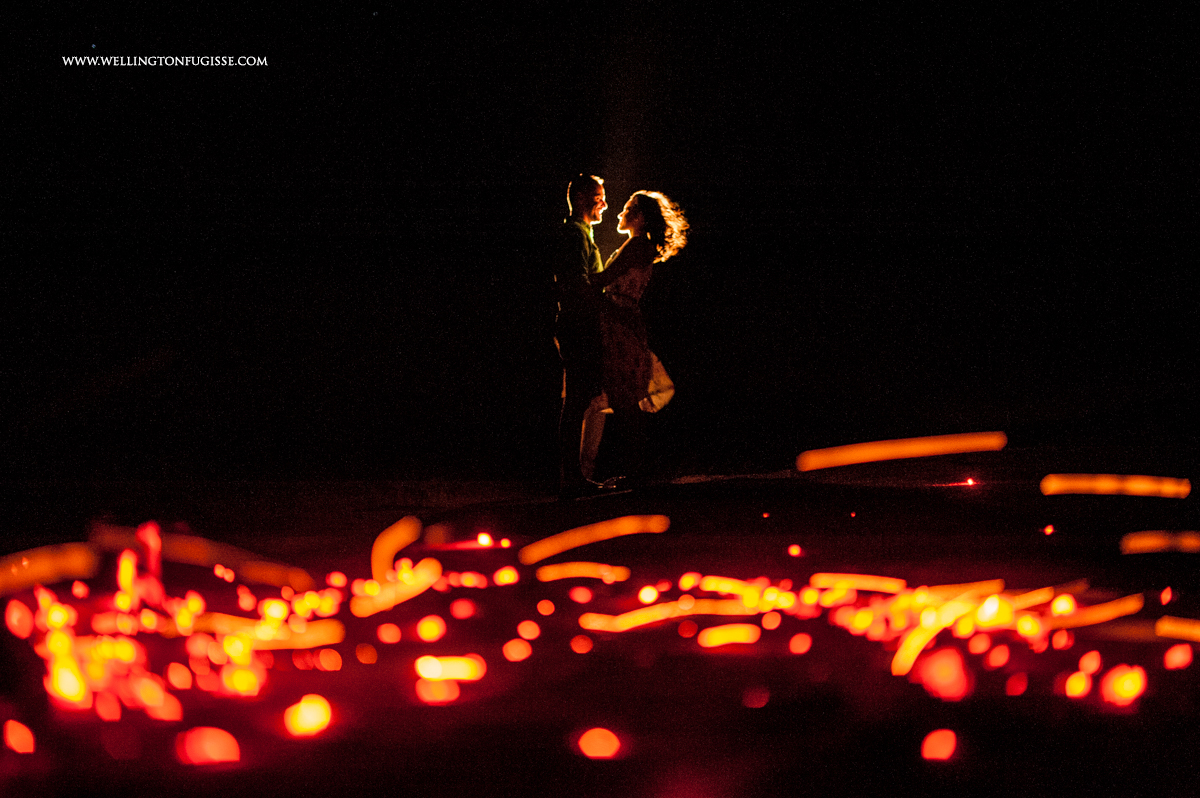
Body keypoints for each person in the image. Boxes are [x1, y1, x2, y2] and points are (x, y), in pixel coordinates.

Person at [586, 190, 689, 482]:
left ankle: (636, 472)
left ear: (641, 217)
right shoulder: (639, 246)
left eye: (628, 208)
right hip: (620, 322)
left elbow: (603, 280)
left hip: (621, 325)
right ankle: (635, 471)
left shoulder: (637, 245)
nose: (621, 213)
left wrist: (573, 278)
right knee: (624, 400)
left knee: (625, 401)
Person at [553, 175, 607, 497]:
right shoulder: (574, 234)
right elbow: (576, 284)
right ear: (583, 198)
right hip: (578, 325)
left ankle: (573, 477)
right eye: (599, 197)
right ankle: (571, 479)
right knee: (575, 402)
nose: (604, 204)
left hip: (578, 324)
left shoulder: (581, 233)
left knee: (578, 400)